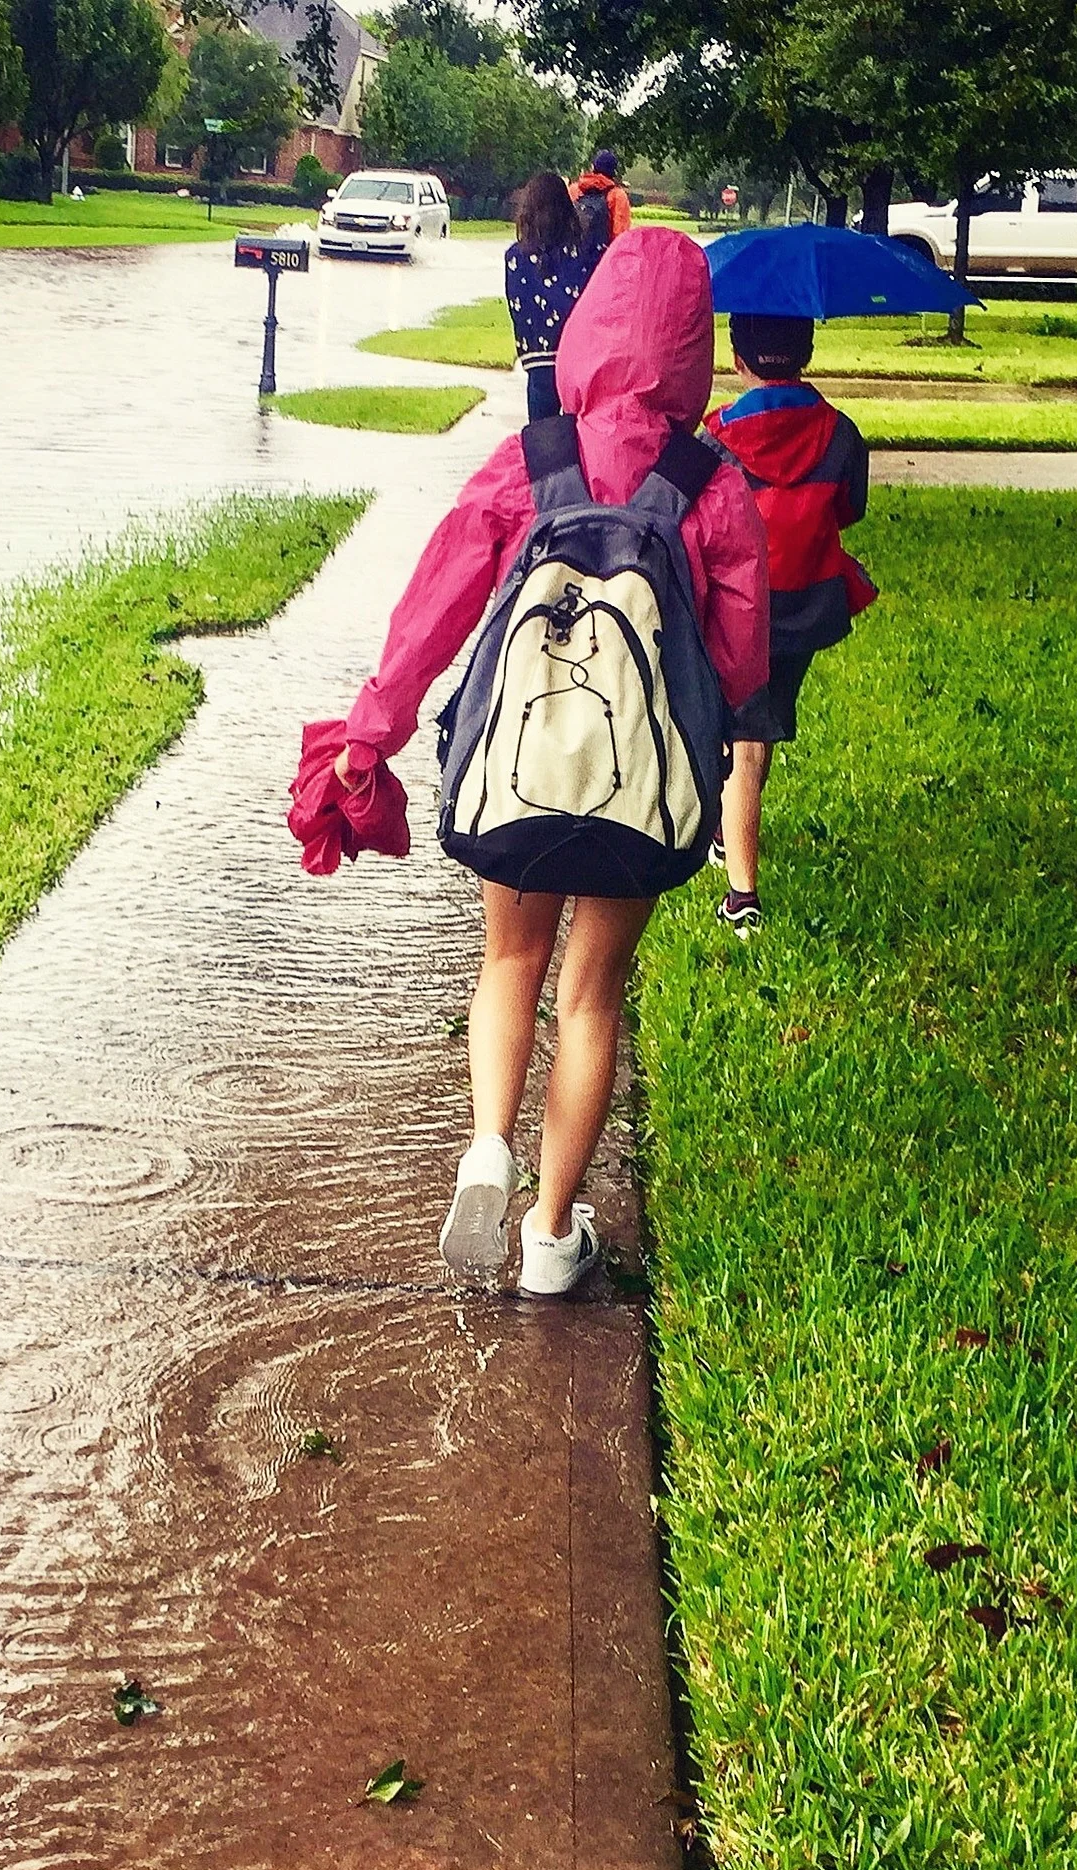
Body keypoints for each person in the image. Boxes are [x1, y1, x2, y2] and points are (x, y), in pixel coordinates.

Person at [332, 229, 768, 1296]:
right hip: (637, 786)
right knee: (590, 997)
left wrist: (371, 729)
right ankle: (551, 1234)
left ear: (587, 328)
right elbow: (743, 659)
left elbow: (435, 602)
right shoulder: (711, 481)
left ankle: (488, 1142)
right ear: (692, 346)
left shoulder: (528, 460)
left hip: (518, 769)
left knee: (508, 964)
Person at [702, 312, 875, 938]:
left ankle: (741, 897)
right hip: (807, 605)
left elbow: (701, 519)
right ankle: (728, 829)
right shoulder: (841, 433)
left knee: (745, 739)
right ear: (807, 351)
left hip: (740, 608)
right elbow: (850, 508)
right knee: (763, 723)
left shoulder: (716, 438)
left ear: (736, 357)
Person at [504, 170, 601, 425]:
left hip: (539, 361)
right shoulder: (588, 253)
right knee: (582, 434)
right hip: (579, 359)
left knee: (542, 436)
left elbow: (518, 310)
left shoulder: (516, 257)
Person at [569, 148, 632, 251]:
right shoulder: (617, 195)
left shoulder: (574, 189)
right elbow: (620, 234)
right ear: (613, 171)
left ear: (593, 167)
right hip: (603, 255)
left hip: (576, 253)